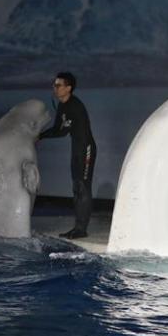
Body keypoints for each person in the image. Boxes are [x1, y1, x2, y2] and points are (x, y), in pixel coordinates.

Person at [38, 72, 97, 239]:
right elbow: (59, 129)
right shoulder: (63, 105)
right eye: (54, 85)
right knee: (76, 189)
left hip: (86, 149)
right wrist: (39, 136)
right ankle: (77, 227)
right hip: (77, 149)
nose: (54, 88)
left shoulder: (74, 105)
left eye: (58, 85)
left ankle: (81, 229)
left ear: (68, 88)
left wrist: (41, 136)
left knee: (83, 188)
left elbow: (63, 131)